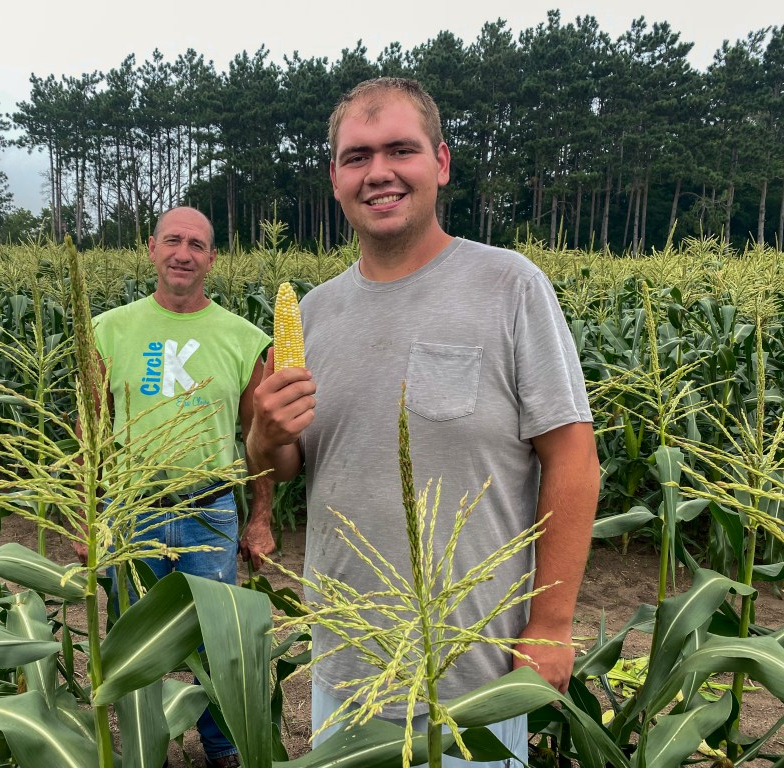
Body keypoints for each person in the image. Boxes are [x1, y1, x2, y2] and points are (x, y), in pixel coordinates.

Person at [246, 78, 600, 766]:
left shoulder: (510, 285)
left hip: (477, 674)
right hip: (349, 666)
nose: (378, 173)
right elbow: (291, 465)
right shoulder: (314, 313)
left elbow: (573, 459)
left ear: (440, 163)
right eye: (357, 157)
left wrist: (552, 625)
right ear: (335, 178)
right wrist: (264, 436)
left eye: (399, 150)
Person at [77, 205, 276, 768]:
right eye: (172, 241)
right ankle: (146, 749)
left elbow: (258, 441)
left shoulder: (244, 339)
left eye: (196, 244)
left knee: (217, 643)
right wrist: (87, 516)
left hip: (208, 510)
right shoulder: (108, 329)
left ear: (212, 258)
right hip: (130, 508)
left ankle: (222, 749)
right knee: (131, 641)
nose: (183, 253)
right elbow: (89, 431)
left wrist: (260, 518)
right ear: (151, 248)